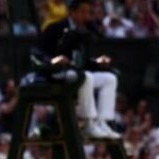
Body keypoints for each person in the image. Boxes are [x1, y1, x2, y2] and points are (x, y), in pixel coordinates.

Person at [36, 0, 120, 139]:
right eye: (82, 12)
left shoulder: (84, 31)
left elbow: (82, 61)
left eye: (88, 12)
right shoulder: (55, 28)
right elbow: (37, 53)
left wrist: (96, 62)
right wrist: (52, 61)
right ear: (72, 12)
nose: (86, 16)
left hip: (75, 73)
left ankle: (103, 122)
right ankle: (88, 124)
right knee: (85, 77)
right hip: (55, 73)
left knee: (109, 79)